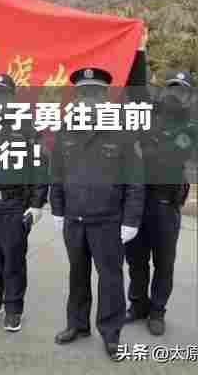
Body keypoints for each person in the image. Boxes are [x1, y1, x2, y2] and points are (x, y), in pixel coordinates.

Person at [50, 67, 145, 360]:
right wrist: (57, 209)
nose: (89, 99)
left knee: (110, 278)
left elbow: (135, 180)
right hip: (74, 219)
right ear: (77, 97)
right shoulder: (66, 128)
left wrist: (131, 220)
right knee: (77, 275)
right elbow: (57, 173)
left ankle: (111, 333)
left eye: (95, 93)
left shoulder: (122, 131)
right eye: (84, 93)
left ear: (105, 96)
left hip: (108, 222)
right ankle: (77, 325)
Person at [0, 74, 49, 332]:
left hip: (12, 205)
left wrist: (37, 204)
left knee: (13, 260)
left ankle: (13, 308)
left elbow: (40, 166)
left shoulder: (25, 126)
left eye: (3, 94)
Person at [125, 68, 196, 335]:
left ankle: (157, 311)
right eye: (172, 88)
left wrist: (146, 145)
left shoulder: (190, 125)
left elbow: (170, 155)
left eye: (181, 90)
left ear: (188, 96)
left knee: (164, 263)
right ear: (165, 89)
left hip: (165, 205)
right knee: (136, 259)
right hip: (139, 202)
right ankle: (138, 305)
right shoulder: (149, 113)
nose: (175, 94)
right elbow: (135, 88)